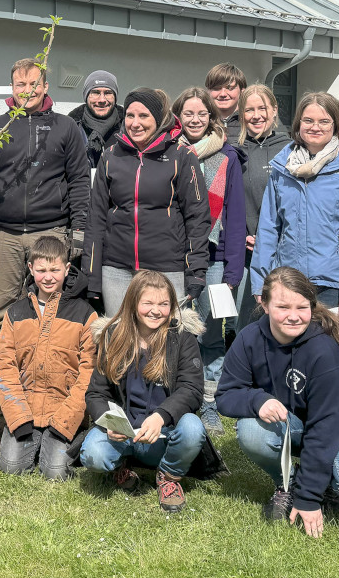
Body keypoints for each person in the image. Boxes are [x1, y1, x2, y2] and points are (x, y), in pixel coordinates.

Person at [217, 267, 339, 537]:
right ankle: (287, 483)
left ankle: (326, 486)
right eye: (283, 306)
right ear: (263, 304)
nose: (294, 316)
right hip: (294, 421)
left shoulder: (325, 350)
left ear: (312, 306)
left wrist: (309, 498)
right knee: (251, 430)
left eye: (302, 307)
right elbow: (226, 395)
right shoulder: (249, 339)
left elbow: (326, 427)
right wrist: (257, 399)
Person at [80, 271, 209, 513]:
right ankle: (122, 465)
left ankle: (169, 476)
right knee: (92, 454)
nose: (155, 310)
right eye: (147, 303)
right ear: (133, 303)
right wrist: (110, 422)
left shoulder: (182, 338)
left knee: (193, 428)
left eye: (163, 304)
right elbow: (96, 393)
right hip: (125, 434)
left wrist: (161, 416)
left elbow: (192, 389)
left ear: (172, 306)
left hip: (165, 435)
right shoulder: (112, 336)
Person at [0, 58, 90, 321]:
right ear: (12, 88)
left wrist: (80, 230)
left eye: (34, 83)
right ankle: (2, 363)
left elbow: (80, 181)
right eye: (20, 84)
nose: (28, 90)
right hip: (5, 234)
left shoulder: (65, 126)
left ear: (45, 86)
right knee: (1, 308)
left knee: (51, 307)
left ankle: (47, 361)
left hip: (51, 231)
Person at [84, 87, 211, 312]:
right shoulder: (111, 155)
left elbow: (197, 218)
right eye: (130, 116)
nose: (135, 123)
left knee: (163, 342)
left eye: (144, 116)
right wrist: (92, 275)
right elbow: (96, 218)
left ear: (159, 119)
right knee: (120, 341)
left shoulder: (182, 156)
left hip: (166, 269)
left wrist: (196, 272)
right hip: (116, 269)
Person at [251, 92, 339, 320]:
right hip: (287, 281)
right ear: (298, 124)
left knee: (329, 351)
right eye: (308, 120)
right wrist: (261, 282)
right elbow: (268, 229)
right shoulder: (282, 168)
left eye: (324, 121)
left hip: (332, 285)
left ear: (336, 125)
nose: (315, 127)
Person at [172, 87, 248, 435]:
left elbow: (234, 215)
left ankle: (210, 404)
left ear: (211, 117)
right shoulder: (167, 151)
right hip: (175, 256)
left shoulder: (228, 156)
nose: (195, 119)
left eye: (201, 114)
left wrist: (233, 269)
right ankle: (177, 399)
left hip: (215, 258)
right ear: (178, 116)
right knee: (174, 332)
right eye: (188, 113)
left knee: (212, 336)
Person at [0, 236, 97, 480]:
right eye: (41, 270)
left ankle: (78, 436)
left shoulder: (84, 314)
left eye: (55, 270)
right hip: (26, 408)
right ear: (30, 269)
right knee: (10, 467)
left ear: (67, 269)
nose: (48, 277)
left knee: (55, 472)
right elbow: (4, 367)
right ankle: (36, 440)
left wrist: (66, 420)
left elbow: (88, 373)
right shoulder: (16, 313)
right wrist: (18, 418)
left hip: (64, 411)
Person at [233, 84, 290, 335]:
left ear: (274, 110)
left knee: (280, 317)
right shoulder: (235, 150)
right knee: (245, 321)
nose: (256, 115)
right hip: (245, 250)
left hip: (282, 250)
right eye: (249, 110)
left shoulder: (290, 149)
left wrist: (269, 239)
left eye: (262, 108)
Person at [67, 70, 124, 169]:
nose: (102, 100)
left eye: (108, 93)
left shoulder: (128, 128)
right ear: (86, 96)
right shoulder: (71, 128)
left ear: (115, 97)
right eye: (95, 92)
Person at [205, 63, 248, 144]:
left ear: (242, 91)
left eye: (230, 88)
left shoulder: (251, 122)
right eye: (216, 88)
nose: (223, 94)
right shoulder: (201, 122)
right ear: (208, 91)